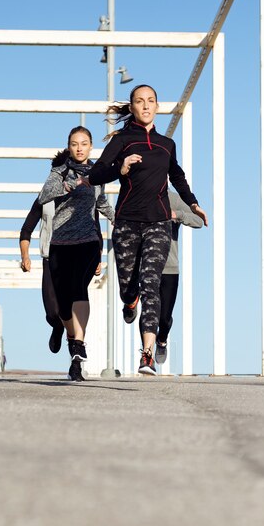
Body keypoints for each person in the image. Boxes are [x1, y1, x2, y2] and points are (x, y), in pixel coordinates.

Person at [87, 84, 208, 375]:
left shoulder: (167, 144)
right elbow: (95, 175)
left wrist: (192, 204)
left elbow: (177, 175)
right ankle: (129, 303)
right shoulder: (123, 141)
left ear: (157, 106)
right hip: (127, 222)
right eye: (139, 101)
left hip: (158, 223)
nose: (145, 106)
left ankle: (147, 355)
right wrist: (121, 168)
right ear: (132, 107)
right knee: (130, 288)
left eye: (151, 101)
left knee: (150, 284)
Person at [38, 126, 115, 381]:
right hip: (60, 242)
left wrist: (118, 219)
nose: (79, 148)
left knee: (78, 289)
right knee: (62, 302)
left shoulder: (97, 173)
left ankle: (79, 343)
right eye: (74, 143)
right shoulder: (59, 172)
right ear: (69, 146)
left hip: (88, 241)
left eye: (84, 143)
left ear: (90, 146)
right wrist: (64, 187)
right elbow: (43, 196)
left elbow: (100, 201)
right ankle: (73, 344)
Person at [154, 191, 203, 365]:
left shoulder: (173, 198)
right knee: (149, 314)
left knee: (164, 318)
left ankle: (161, 340)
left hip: (170, 267)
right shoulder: (139, 193)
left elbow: (199, 221)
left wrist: (177, 215)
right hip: (147, 266)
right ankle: (145, 355)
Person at [20, 199, 65, 353]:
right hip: (49, 257)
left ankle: (76, 359)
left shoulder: (81, 194)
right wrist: (25, 256)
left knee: (73, 309)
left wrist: (97, 255)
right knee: (52, 312)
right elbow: (26, 230)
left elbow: (94, 223)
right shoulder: (44, 198)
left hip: (74, 258)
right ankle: (57, 326)